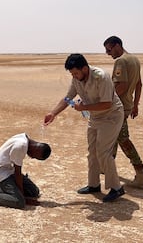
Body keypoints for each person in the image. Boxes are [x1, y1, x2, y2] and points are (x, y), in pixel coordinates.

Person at [44, 53, 125, 202]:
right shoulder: (76, 79)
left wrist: (84, 107)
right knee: (92, 151)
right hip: (95, 116)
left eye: (76, 72)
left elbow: (107, 103)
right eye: (71, 74)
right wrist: (53, 113)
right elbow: (68, 98)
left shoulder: (101, 77)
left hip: (111, 116)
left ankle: (117, 188)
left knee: (103, 151)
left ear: (85, 68)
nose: (74, 76)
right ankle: (93, 184)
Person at [103, 36, 143, 187]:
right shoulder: (134, 59)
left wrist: (107, 102)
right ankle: (107, 166)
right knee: (114, 135)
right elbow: (139, 84)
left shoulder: (121, 61)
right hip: (128, 105)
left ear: (117, 45)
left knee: (123, 139)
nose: (107, 53)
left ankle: (141, 172)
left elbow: (122, 86)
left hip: (119, 107)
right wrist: (135, 105)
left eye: (109, 49)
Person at [0, 133, 51, 209]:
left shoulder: (24, 138)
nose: (32, 158)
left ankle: (3, 191)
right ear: (37, 149)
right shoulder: (20, 146)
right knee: (19, 202)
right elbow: (17, 173)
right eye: (35, 157)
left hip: (8, 172)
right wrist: (22, 197)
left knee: (34, 192)